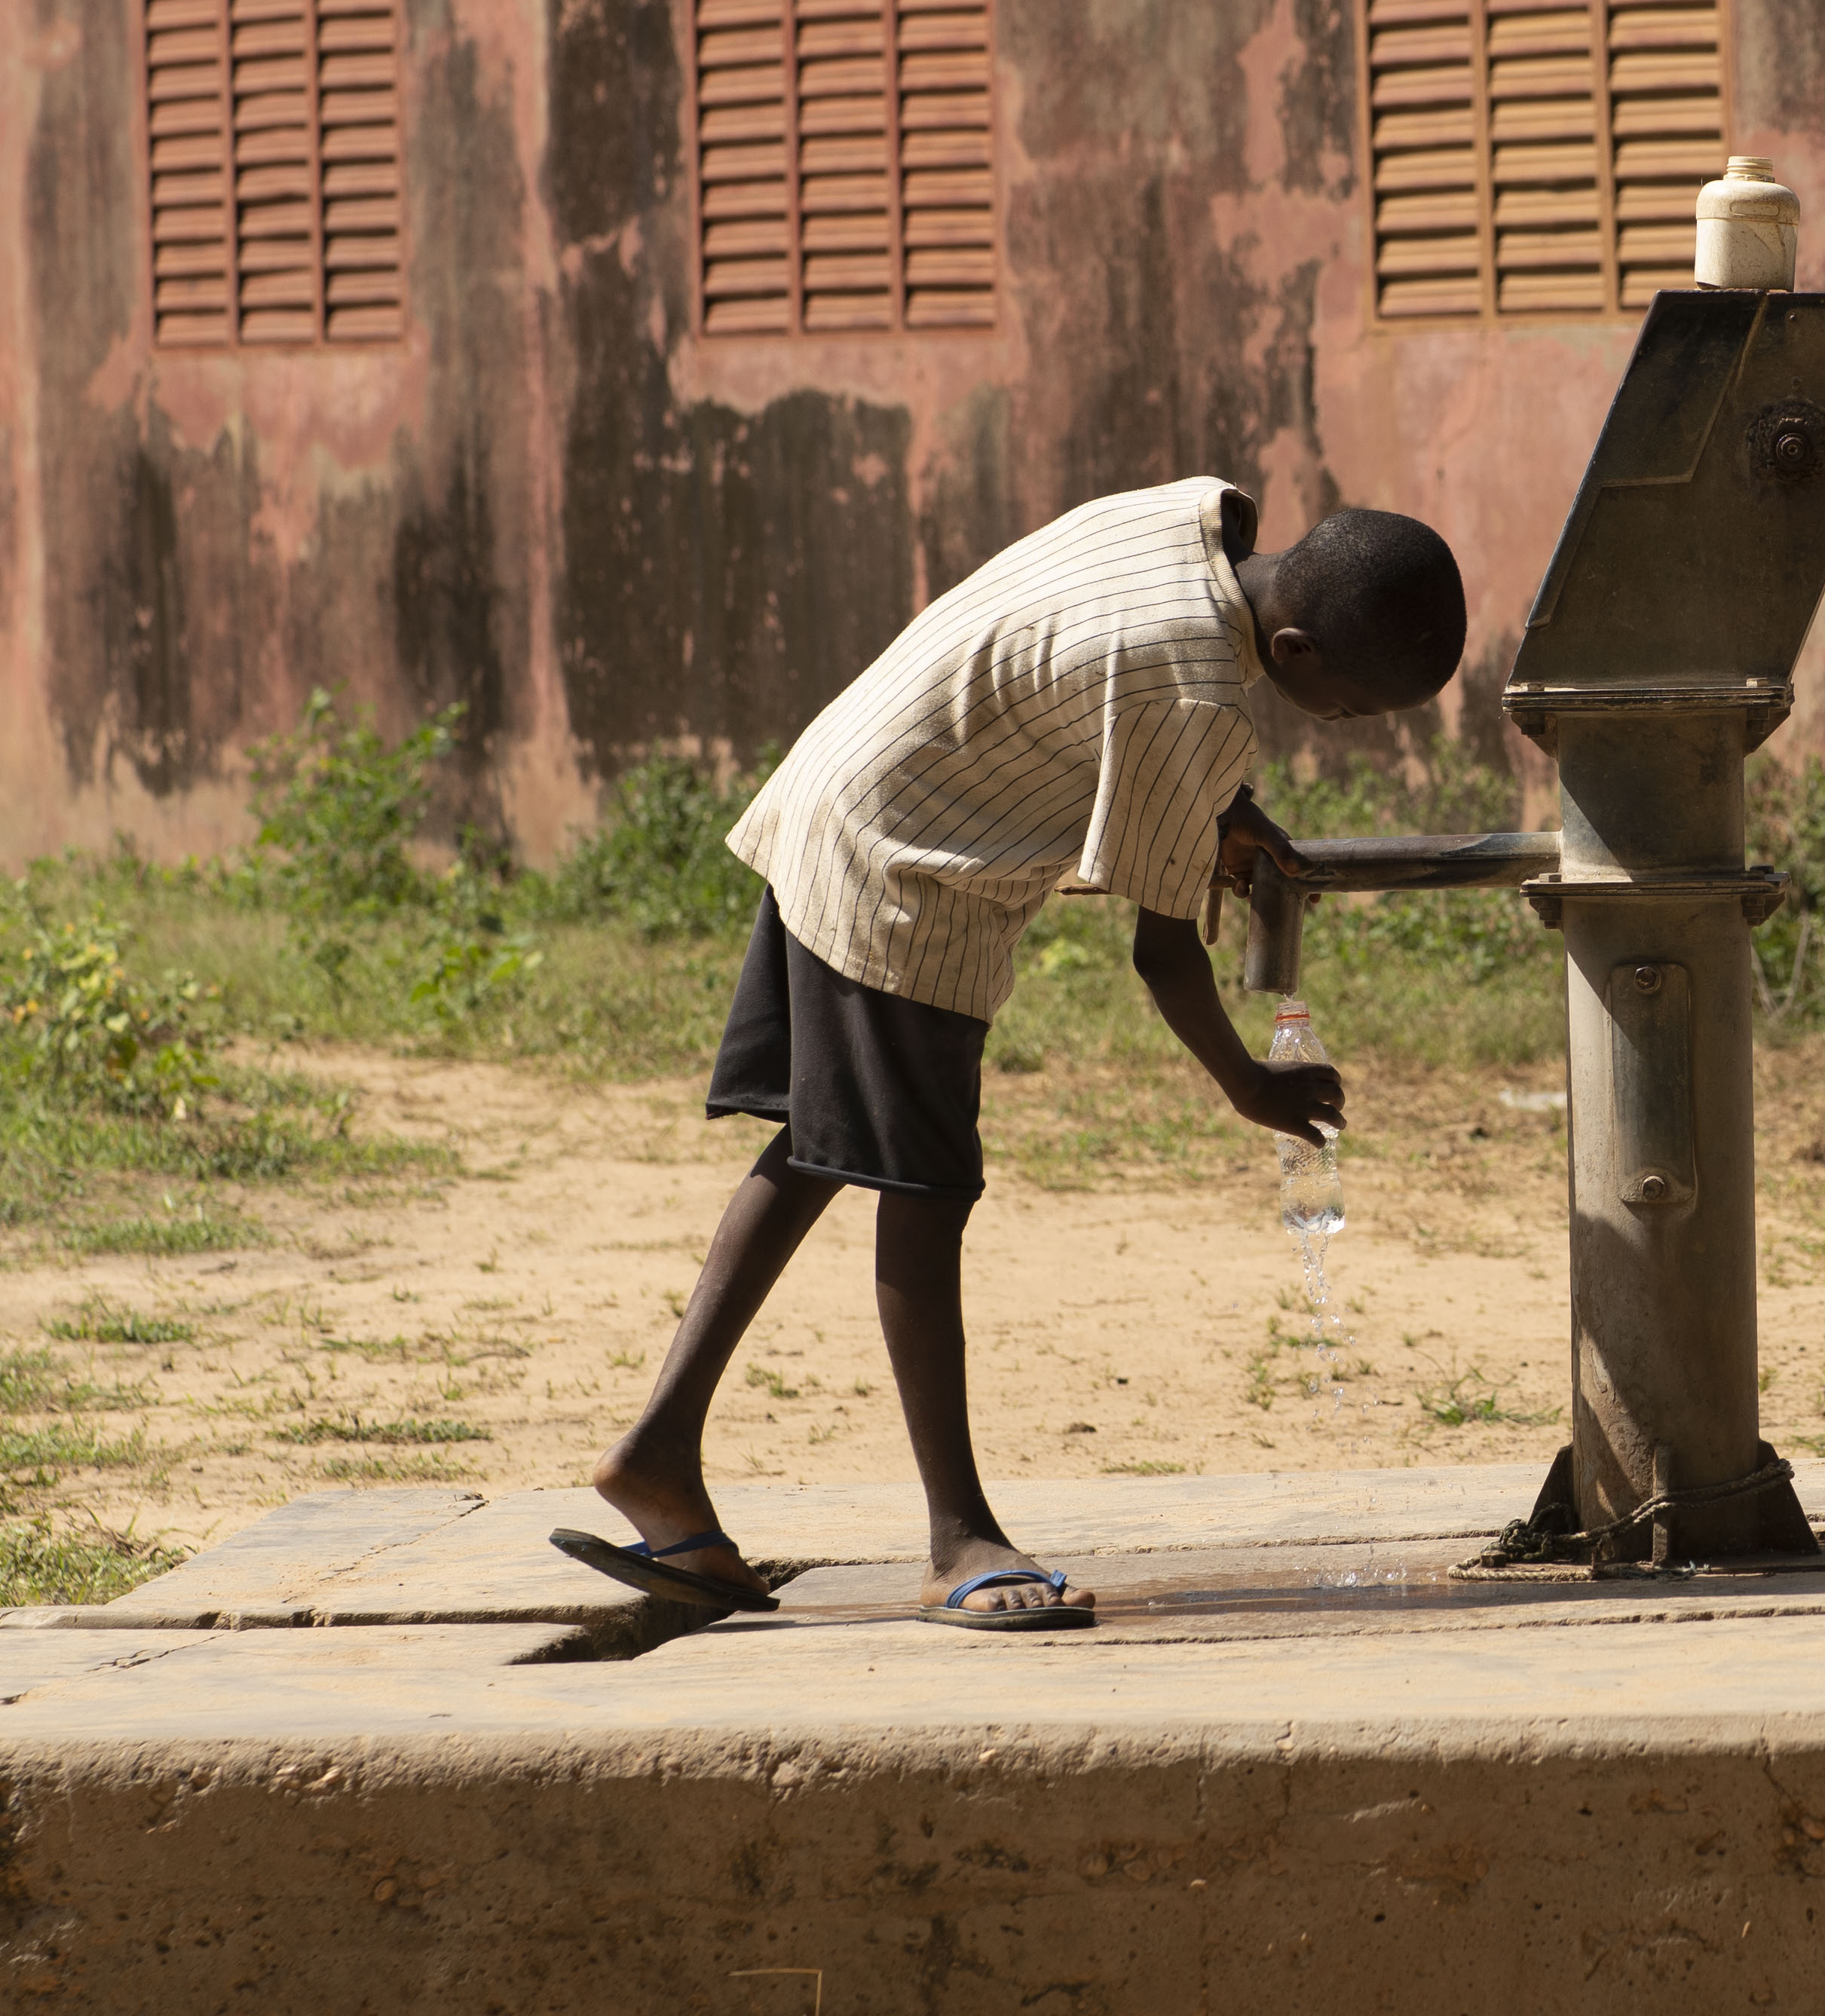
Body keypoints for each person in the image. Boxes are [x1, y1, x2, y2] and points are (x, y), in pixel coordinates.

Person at [566, 481, 1467, 1638]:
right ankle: (958, 1540)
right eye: (1344, 707)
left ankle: (657, 1452)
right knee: (924, 1189)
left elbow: (1079, 676)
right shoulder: (1193, 693)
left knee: (826, 1144)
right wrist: (1249, 1084)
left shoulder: (1194, 521)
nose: (1339, 727)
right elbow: (1162, 953)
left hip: (846, 789)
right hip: (903, 867)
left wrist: (1216, 804)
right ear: (1291, 649)